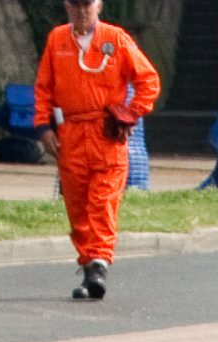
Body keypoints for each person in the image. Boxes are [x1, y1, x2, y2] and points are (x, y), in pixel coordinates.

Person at [33, 0, 159, 301]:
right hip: (71, 135)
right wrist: (43, 127)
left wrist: (131, 112)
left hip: (105, 134)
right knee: (77, 206)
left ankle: (99, 263)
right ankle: (90, 267)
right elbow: (43, 89)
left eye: (87, 4)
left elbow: (148, 80)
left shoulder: (116, 39)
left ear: (98, 5)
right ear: (67, 6)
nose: (81, 11)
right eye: (75, 5)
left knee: (102, 201)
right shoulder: (57, 40)